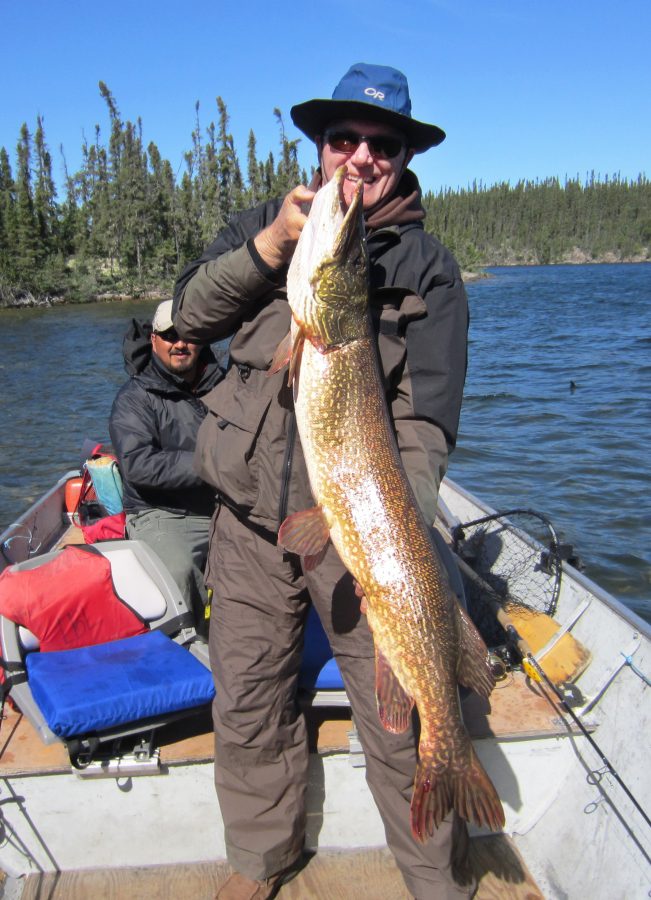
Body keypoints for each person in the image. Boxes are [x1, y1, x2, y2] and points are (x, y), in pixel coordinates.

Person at [173, 63, 471, 899]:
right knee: (249, 701)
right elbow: (189, 317)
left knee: (398, 718)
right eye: (345, 139)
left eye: (383, 144)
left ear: (404, 156)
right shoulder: (265, 231)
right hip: (249, 519)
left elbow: (426, 420)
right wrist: (272, 243)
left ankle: (434, 879)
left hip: (362, 532)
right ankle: (261, 864)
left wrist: (394, 535)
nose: (361, 157)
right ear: (320, 146)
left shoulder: (428, 267)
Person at [109, 299, 223, 626]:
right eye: (170, 335)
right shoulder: (134, 398)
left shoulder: (226, 386)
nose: (180, 343)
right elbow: (138, 465)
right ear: (154, 339)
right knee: (179, 571)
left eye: (189, 334)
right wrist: (213, 464)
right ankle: (190, 642)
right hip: (160, 511)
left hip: (222, 504)